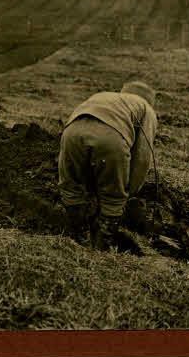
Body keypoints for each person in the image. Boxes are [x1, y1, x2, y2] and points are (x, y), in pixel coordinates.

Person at [58, 81, 158, 250]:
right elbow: (142, 156)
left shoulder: (106, 96)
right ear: (150, 101)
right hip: (110, 137)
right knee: (113, 197)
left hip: (71, 132)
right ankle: (101, 245)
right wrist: (128, 190)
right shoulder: (146, 108)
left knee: (71, 186)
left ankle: (77, 236)